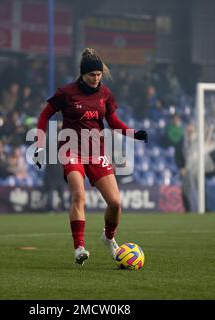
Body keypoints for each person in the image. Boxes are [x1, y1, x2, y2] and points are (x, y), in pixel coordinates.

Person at [33, 48, 148, 265]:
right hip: (70, 150)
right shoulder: (66, 92)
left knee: (115, 203)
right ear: (82, 74)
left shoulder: (105, 94)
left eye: (98, 75)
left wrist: (133, 133)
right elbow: (45, 114)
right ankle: (79, 248)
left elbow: (112, 121)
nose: (96, 79)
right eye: (91, 75)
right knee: (79, 195)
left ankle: (108, 237)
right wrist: (39, 144)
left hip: (96, 152)